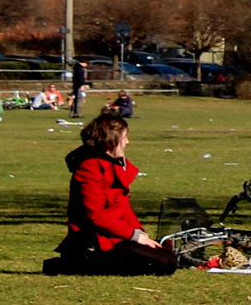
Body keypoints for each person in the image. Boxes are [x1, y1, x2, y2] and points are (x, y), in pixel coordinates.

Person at [47, 112, 176, 276]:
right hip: (96, 239)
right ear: (110, 140)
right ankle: (71, 264)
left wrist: (140, 233)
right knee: (162, 263)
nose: (127, 142)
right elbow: (95, 215)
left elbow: (123, 207)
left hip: (115, 235)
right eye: (124, 138)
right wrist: (134, 236)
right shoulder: (89, 168)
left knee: (168, 258)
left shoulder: (113, 165)